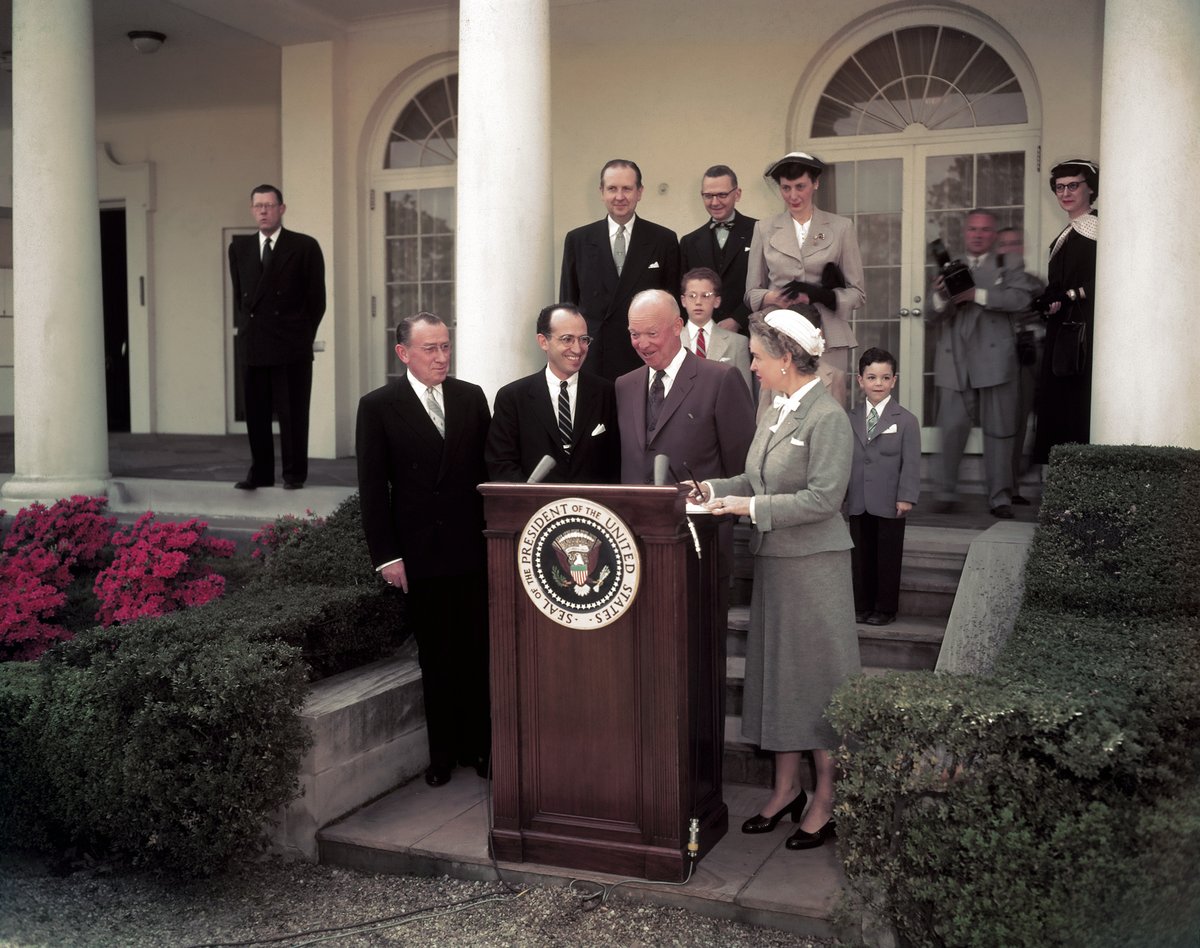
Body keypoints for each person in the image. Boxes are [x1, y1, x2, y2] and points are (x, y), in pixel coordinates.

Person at [693, 309, 859, 851]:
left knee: (817, 682)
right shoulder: (776, 410)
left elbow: (822, 499)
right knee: (781, 680)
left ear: (787, 359)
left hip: (815, 570)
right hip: (776, 564)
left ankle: (826, 800)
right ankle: (786, 790)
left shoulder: (827, 417)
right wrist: (711, 490)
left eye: (759, 358)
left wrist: (748, 505)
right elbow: (751, 477)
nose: (754, 368)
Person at [355, 313, 491, 788]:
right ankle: (442, 755)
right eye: (430, 349)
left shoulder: (470, 397)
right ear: (403, 353)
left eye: (446, 347)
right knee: (436, 656)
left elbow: (487, 475)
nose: (441, 357)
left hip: (471, 549)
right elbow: (372, 489)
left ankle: (482, 748)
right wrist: (387, 556)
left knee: (478, 652)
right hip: (420, 553)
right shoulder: (378, 407)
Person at [927, 209, 1037, 519]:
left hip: (994, 359)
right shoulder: (948, 265)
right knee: (950, 429)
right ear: (965, 232)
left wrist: (978, 294)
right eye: (972, 229)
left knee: (1000, 432)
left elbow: (1021, 300)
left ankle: (1000, 496)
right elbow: (932, 314)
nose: (977, 234)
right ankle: (944, 493)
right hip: (955, 359)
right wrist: (940, 296)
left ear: (993, 235)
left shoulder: (1008, 263)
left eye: (985, 230)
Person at [744, 152, 864, 406]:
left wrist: (820, 295)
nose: (793, 196)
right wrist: (773, 297)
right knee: (777, 410)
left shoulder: (841, 228)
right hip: (779, 336)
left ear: (815, 183)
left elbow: (858, 293)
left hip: (828, 337)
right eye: (786, 188)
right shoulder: (764, 228)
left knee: (828, 411)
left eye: (800, 186)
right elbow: (751, 292)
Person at [228, 184, 326, 490]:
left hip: (291, 344)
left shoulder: (304, 246)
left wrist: (300, 336)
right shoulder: (239, 248)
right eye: (258, 206)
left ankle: (294, 475)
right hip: (254, 342)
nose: (263, 211)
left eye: (269, 205)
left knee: (293, 413)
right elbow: (240, 298)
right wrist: (248, 332)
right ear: (252, 209)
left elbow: (317, 300)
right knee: (256, 413)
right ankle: (261, 473)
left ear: (281, 209)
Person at [614, 290, 754, 487]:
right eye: (634, 334)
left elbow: (741, 468)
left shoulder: (721, 380)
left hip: (699, 515)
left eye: (652, 333)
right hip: (635, 515)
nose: (642, 344)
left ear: (677, 326)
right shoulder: (624, 386)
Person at [559, 159, 680, 380]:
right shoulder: (578, 240)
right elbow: (568, 306)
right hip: (594, 357)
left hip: (645, 355)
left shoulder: (663, 239)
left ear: (640, 192)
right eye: (612, 189)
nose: (620, 196)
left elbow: (673, 305)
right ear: (601, 192)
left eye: (627, 189)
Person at [485, 303, 620, 483]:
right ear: (543, 341)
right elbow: (501, 464)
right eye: (567, 339)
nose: (578, 349)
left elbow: (616, 461)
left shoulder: (607, 393)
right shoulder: (512, 398)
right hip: (534, 508)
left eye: (583, 339)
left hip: (594, 507)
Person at [845, 347, 920, 626]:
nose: (878, 383)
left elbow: (911, 463)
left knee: (887, 555)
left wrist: (906, 497)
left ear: (894, 381)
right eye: (872, 377)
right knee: (861, 554)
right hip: (858, 498)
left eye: (885, 378)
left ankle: (885, 608)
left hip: (890, 500)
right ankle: (862, 605)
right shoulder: (849, 418)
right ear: (860, 380)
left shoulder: (906, 421)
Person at [1032, 159, 1099, 464]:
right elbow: (1059, 285)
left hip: (1084, 332)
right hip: (1062, 331)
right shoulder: (1065, 234)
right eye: (1060, 187)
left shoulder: (1098, 231)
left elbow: (1102, 281)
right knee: (1056, 405)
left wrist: (1070, 295)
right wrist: (1050, 300)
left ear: (1090, 189)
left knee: (1076, 405)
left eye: (1073, 185)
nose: (1065, 193)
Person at [995, 227, 1046, 503]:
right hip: (996, 360)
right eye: (1004, 244)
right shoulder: (990, 281)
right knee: (1005, 425)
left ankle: (1014, 485)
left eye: (1015, 244)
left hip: (1030, 358)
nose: (1010, 249)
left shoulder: (1035, 283)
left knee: (1024, 424)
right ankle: (1005, 486)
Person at [678, 165, 757, 334]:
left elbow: (765, 285)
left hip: (749, 334)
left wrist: (738, 319)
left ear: (737, 194)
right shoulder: (688, 242)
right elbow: (684, 291)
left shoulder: (760, 231)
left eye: (722, 195)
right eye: (708, 196)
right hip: (704, 335)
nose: (715, 202)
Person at [680, 268, 752, 395]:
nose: (698, 302)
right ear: (683, 300)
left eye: (705, 296)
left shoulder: (738, 343)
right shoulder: (671, 341)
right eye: (692, 296)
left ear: (717, 301)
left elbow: (744, 394)